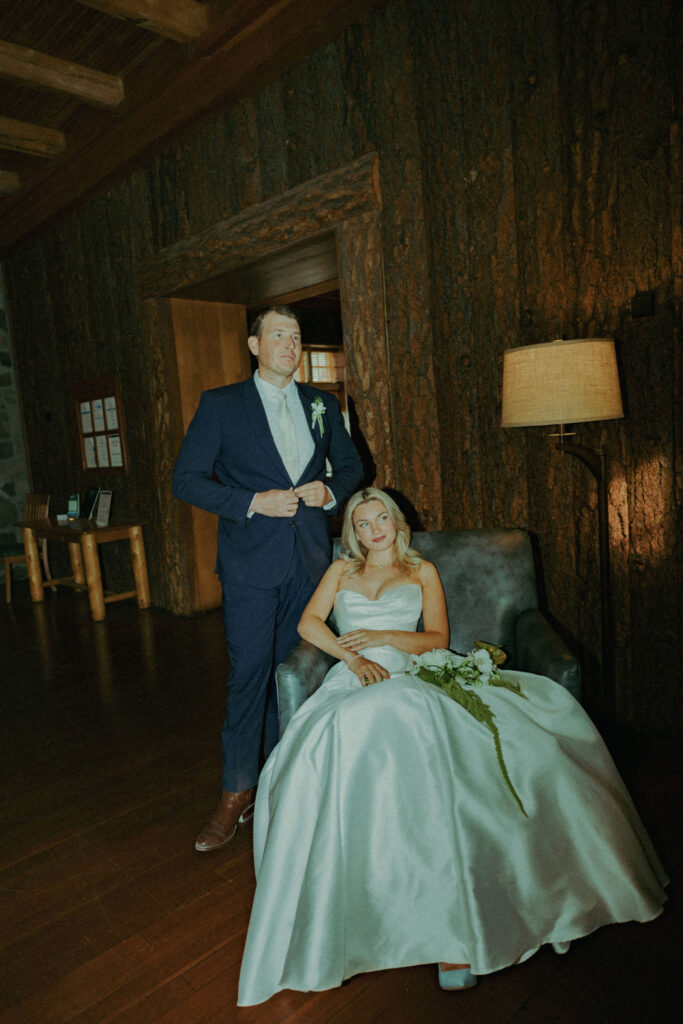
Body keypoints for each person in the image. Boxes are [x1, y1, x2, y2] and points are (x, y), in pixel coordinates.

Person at [237, 486, 668, 1005]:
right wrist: (352, 660)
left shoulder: (421, 571)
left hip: (410, 677)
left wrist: (387, 637)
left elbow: (437, 639)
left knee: (429, 738)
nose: (374, 530)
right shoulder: (341, 572)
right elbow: (310, 623)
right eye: (362, 523)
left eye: (381, 520)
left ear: (397, 523)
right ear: (352, 531)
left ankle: (455, 935)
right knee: (340, 738)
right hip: (354, 680)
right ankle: (347, 922)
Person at [172, 306, 362, 852]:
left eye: (297, 336)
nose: (290, 343)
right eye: (278, 334)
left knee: (298, 674)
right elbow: (185, 480)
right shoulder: (222, 405)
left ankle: (288, 779)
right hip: (251, 567)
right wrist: (251, 501)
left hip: (311, 565)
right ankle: (237, 792)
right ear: (254, 345)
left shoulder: (324, 405)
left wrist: (328, 492)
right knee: (250, 675)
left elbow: (351, 469)